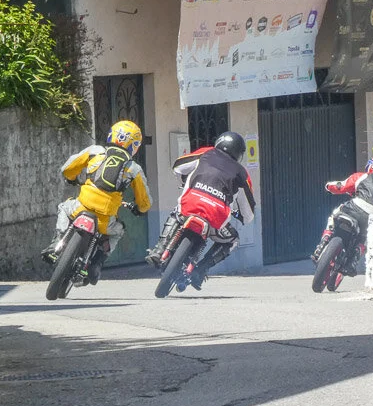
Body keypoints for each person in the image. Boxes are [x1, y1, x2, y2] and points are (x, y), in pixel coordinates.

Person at [42, 120, 152, 282]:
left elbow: (68, 169)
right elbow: (144, 202)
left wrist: (71, 178)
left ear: (112, 135)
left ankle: (57, 241)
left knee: (64, 208)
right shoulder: (133, 168)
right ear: (134, 146)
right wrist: (140, 209)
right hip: (104, 221)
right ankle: (97, 262)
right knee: (119, 231)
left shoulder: (95, 151)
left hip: (81, 208)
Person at [146, 131, 256, 290]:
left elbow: (178, 166)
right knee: (232, 240)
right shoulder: (242, 173)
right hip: (215, 217)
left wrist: (186, 179)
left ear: (219, 142)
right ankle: (201, 270)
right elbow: (249, 213)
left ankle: (159, 250)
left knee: (177, 213)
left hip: (191, 205)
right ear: (239, 153)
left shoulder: (206, 152)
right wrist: (242, 217)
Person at [311, 156, 373, 266]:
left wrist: (328, 186)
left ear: (369, 167)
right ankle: (354, 258)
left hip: (355, 208)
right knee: (366, 238)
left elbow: (341, 186)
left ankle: (324, 240)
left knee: (335, 214)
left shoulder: (362, 176)